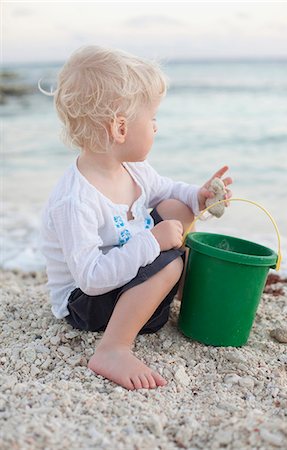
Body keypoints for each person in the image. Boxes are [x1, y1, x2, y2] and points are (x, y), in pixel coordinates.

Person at [40, 46, 232, 391]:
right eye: (153, 118)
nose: (156, 127)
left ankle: (155, 296)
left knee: (178, 207)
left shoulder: (134, 170)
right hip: (86, 304)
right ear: (120, 128)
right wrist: (153, 243)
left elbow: (168, 189)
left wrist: (198, 196)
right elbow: (91, 279)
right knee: (171, 262)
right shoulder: (76, 199)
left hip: (122, 277)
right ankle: (113, 347)